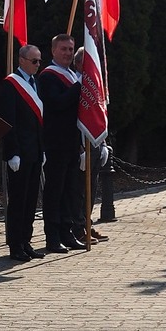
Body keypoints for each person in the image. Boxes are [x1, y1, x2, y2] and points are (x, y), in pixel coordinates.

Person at [37, 33, 85, 254]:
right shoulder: (48, 77)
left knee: (70, 191)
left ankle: (68, 233)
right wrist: (79, 87)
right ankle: (53, 237)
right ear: (54, 50)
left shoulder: (72, 76)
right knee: (54, 192)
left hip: (72, 142)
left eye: (70, 49)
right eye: (63, 49)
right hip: (55, 143)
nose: (67, 53)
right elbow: (56, 104)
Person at [0, 43, 45, 263]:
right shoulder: (11, 84)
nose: (38, 65)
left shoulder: (35, 83)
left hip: (35, 151)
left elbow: (39, 122)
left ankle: (26, 241)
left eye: (39, 61)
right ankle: (15, 244)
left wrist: (42, 149)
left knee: (30, 200)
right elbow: (9, 121)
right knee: (18, 201)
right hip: (19, 153)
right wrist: (12, 152)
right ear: (22, 60)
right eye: (34, 61)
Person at [72, 46, 109, 244]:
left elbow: (98, 115)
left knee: (91, 188)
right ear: (79, 64)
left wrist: (102, 143)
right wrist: (80, 148)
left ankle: (87, 223)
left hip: (94, 143)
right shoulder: (75, 82)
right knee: (79, 189)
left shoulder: (94, 85)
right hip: (81, 145)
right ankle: (77, 228)